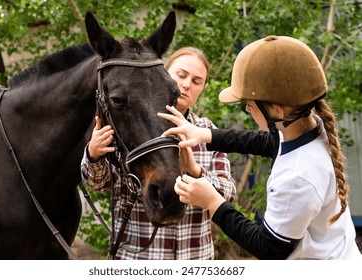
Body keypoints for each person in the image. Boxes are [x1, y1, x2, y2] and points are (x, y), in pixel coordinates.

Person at [158, 36, 362, 260]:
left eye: (249, 105)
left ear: (276, 111)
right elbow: (265, 142)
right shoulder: (305, 127)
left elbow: (268, 249)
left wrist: (212, 201)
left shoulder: (298, 176)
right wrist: (204, 135)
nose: (247, 109)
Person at [81, 46, 236, 259]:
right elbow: (97, 184)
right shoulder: (129, 124)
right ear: (164, 75)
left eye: (196, 81)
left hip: (194, 258)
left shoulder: (208, 132)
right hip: (138, 260)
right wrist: (94, 153)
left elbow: (228, 194)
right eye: (181, 75)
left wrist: (194, 170)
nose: (186, 85)